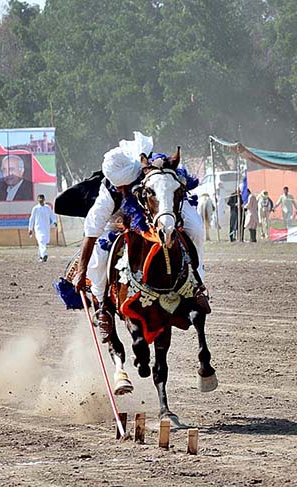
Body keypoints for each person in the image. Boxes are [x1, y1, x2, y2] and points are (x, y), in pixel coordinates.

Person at [73, 132, 208, 339]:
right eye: (119, 186)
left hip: (162, 206)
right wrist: (81, 273)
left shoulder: (150, 168)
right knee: (99, 257)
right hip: (118, 219)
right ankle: (102, 309)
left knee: (196, 228)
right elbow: (90, 234)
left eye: (124, 186)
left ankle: (197, 285)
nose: (121, 188)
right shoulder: (107, 197)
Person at [28, 194, 56, 262]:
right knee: (41, 241)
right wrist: (30, 229)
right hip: (38, 228)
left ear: (44, 199)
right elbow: (32, 219)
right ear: (37, 199)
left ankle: (41, 256)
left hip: (46, 228)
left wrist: (54, 221)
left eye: (42, 198)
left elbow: (52, 215)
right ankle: (44, 255)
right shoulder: (35, 208)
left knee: (43, 242)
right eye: (39, 198)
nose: (40, 200)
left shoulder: (47, 207)